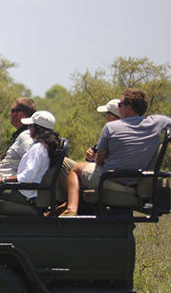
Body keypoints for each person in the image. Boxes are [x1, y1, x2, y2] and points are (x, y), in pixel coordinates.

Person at [61, 88, 171, 216]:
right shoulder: (157, 122)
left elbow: (99, 162)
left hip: (110, 179)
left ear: (129, 108)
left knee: (76, 168)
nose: (118, 108)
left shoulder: (111, 127)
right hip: (137, 182)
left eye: (120, 104)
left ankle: (71, 210)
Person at [0, 111, 62, 209]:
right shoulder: (46, 147)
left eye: (30, 126)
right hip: (24, 191)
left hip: (23, 193)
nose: (29, 129)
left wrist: (3, 180)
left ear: (37, 129)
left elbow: (27, 176)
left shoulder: (39, 148)